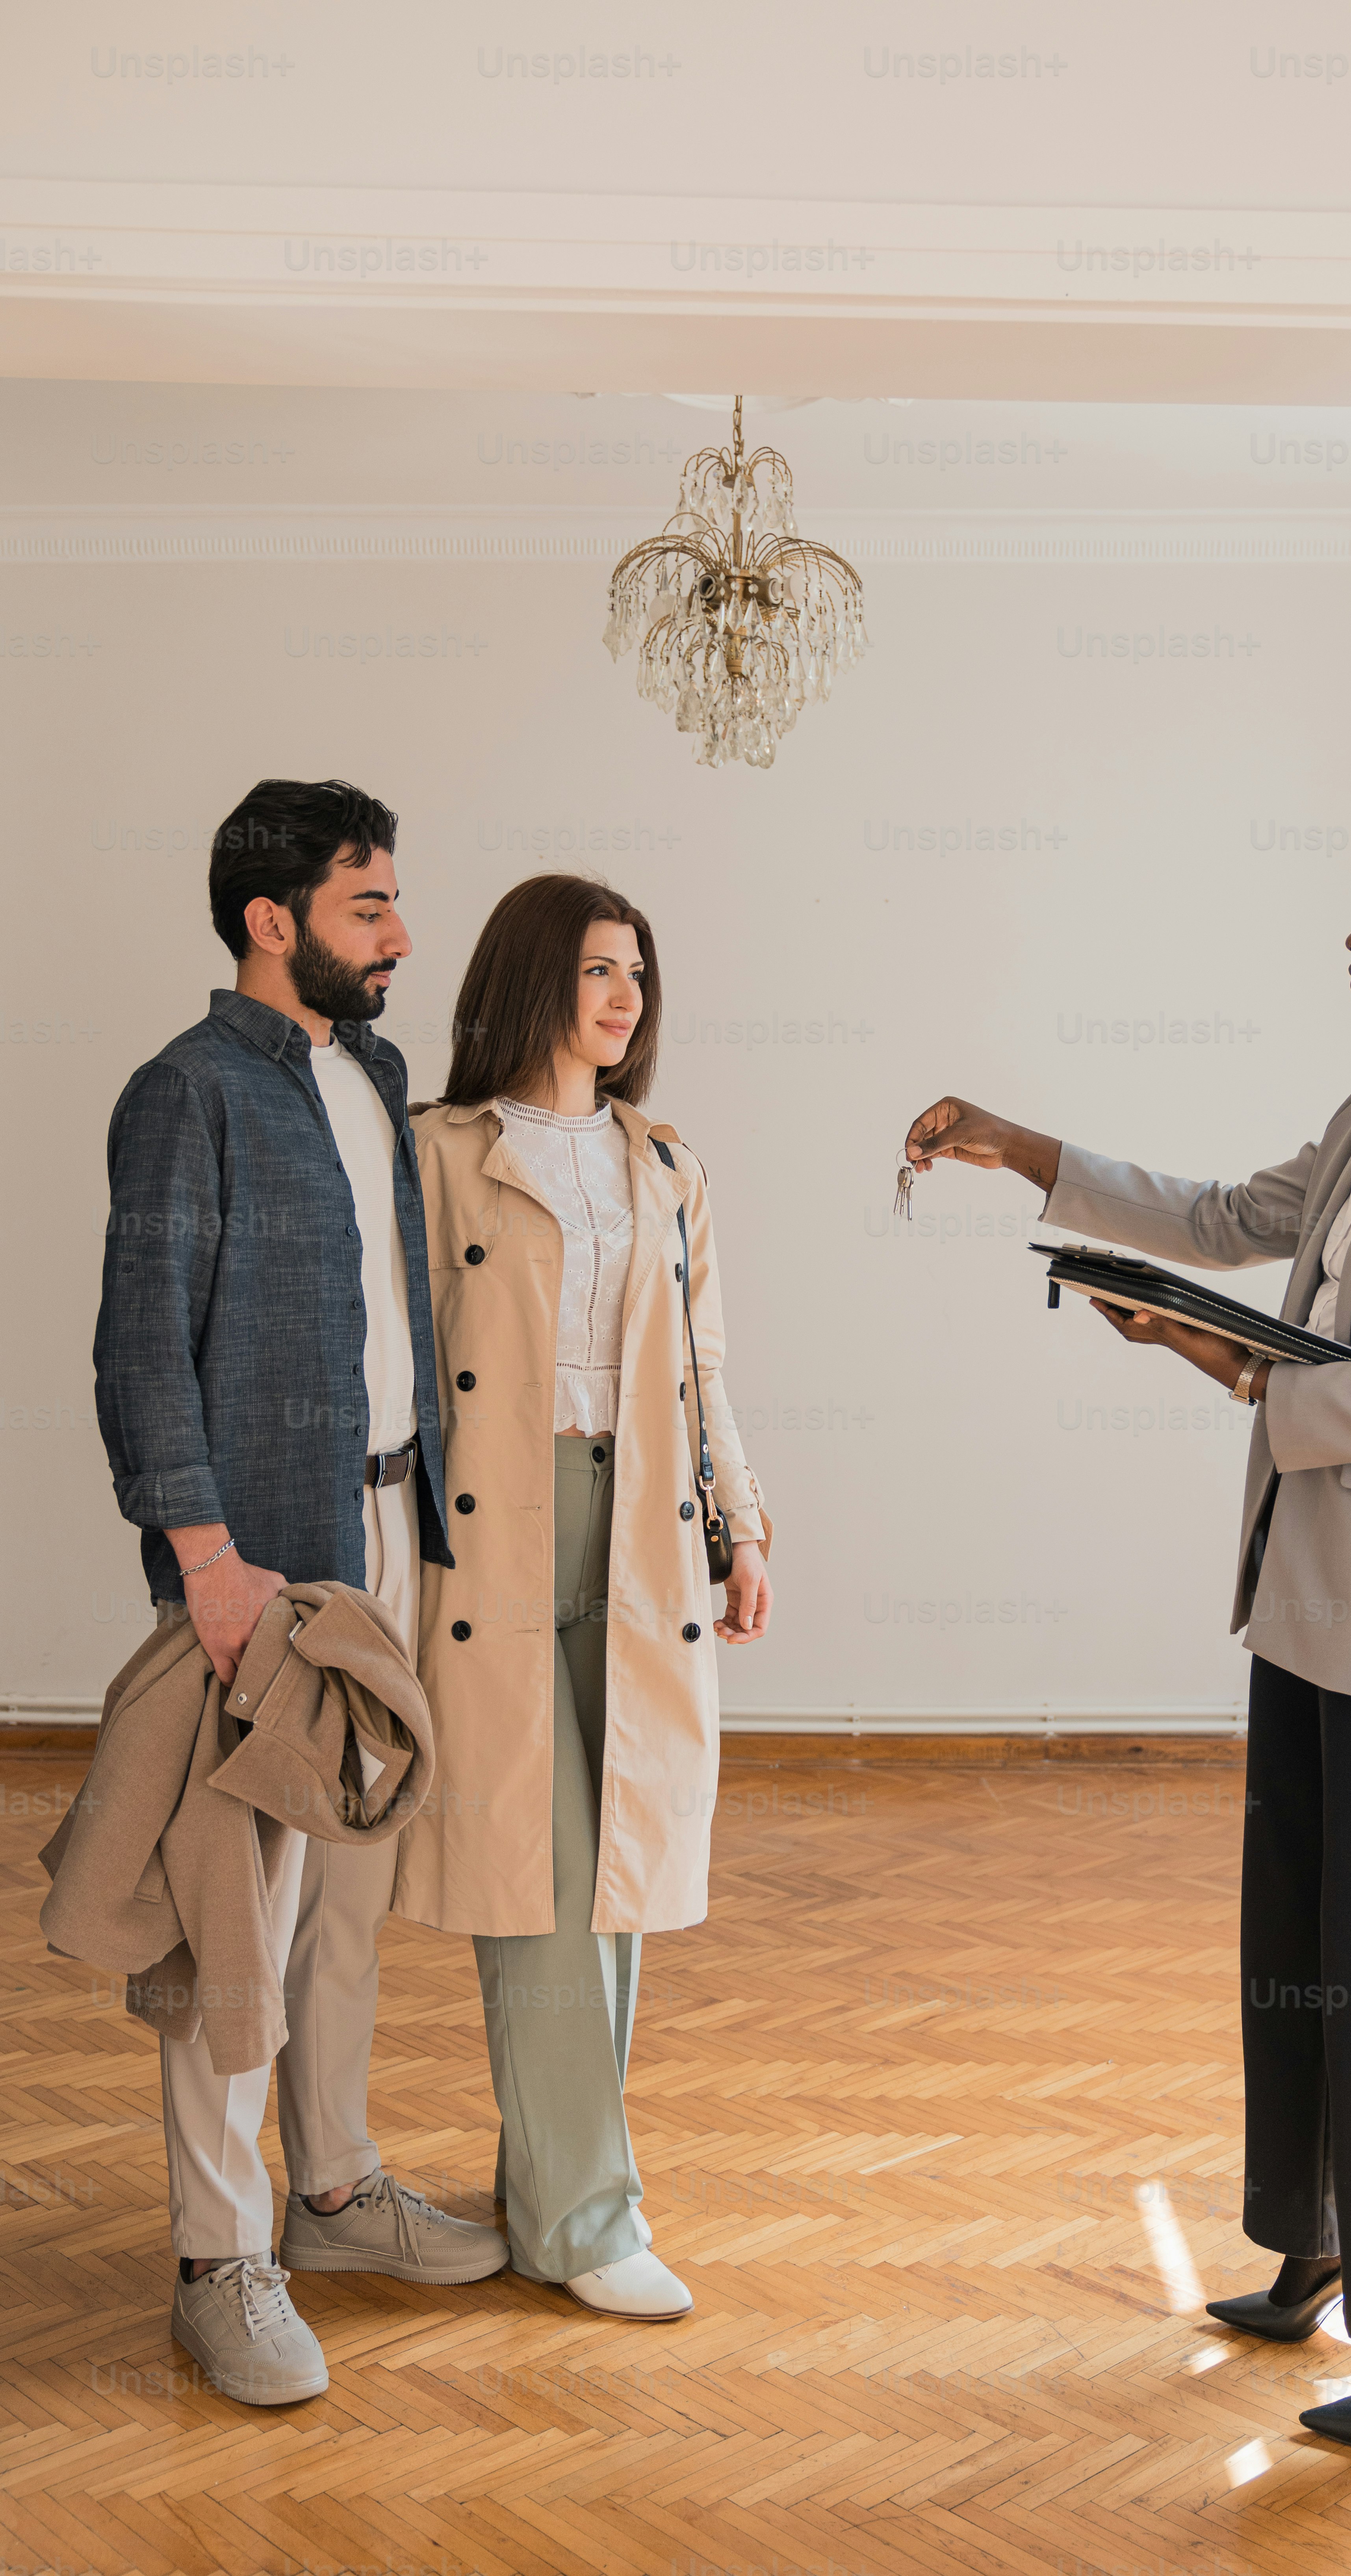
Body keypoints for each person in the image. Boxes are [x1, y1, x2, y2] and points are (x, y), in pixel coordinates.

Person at [902, 727, 1351, 2455]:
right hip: (1316, 1594)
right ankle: (1325, 2246)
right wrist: (1027, 1152)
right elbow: (1232, 1215)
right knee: (1303, 1950)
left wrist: (1256, 1384)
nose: (1349, 936)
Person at [93, 778, 508, 2407]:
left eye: (395, 900)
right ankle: (220, 2256)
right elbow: (140, 1343)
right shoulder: (184, 1093)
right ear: (272, 923)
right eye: (367, 906)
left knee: (350, 1894)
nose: (402, 935)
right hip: (261, 1558)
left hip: (390, 1526)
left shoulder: (374, 1072)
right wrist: (201, 1557)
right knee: (235, 1914)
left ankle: (330, 2192)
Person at [393, 872, 773, 2319]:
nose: (623, 999)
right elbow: (405, 1364)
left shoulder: (665, 1164)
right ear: (533, 975)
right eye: (598, 970)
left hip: (646, 1531)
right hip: (492, 1532)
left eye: (638, 976)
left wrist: (746, 1525)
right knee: (533, 1873)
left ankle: (548, 2179)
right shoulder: (439, 1150)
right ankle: (585, 2217)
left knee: (609, 1874)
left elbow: (704, 1369)